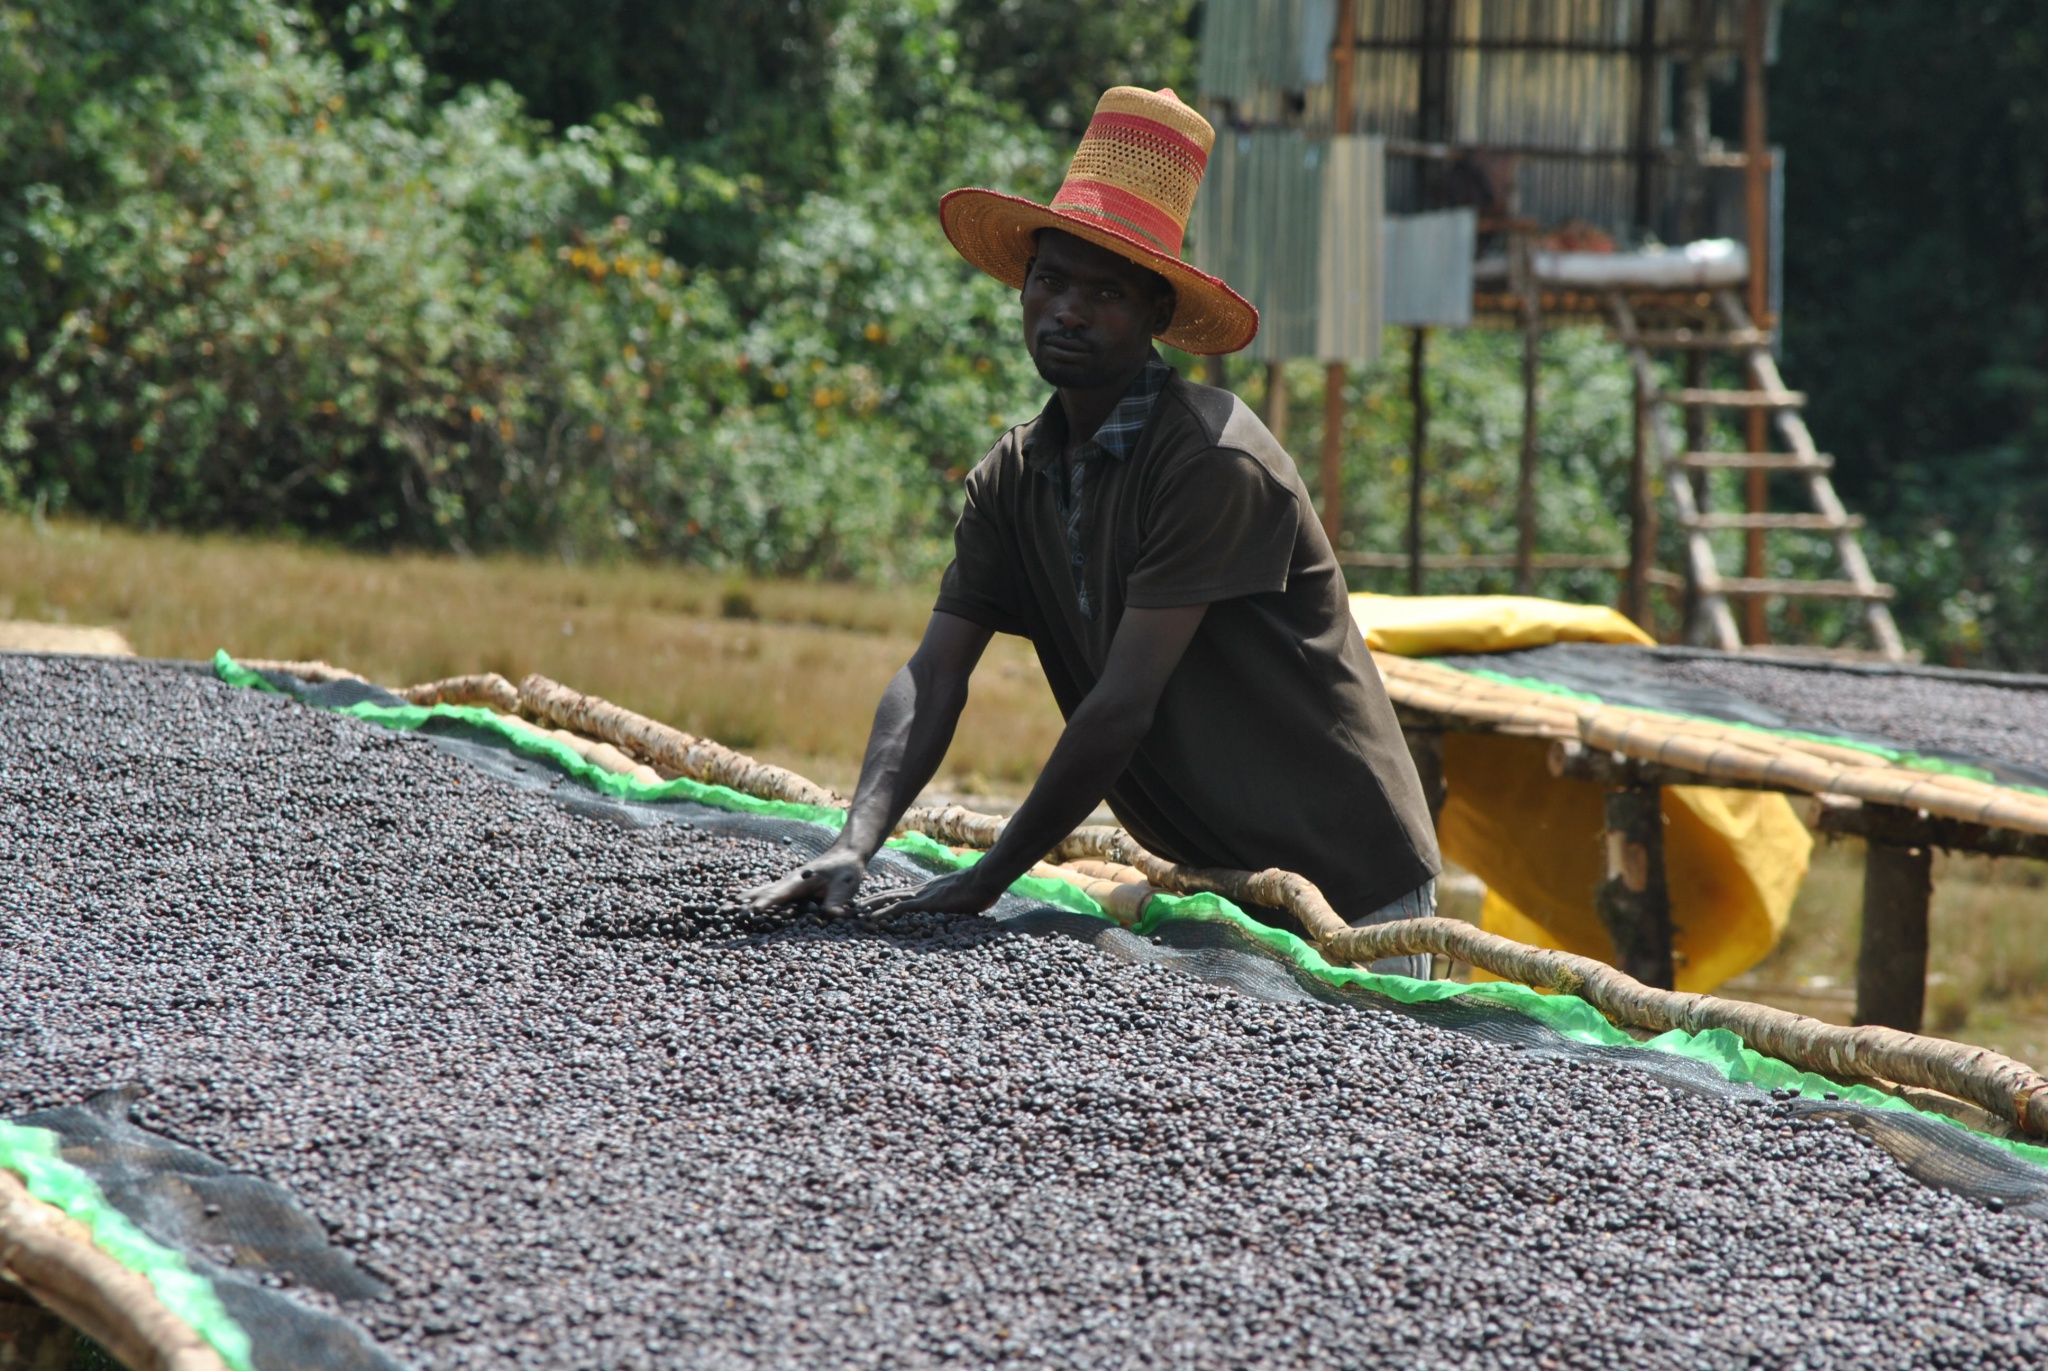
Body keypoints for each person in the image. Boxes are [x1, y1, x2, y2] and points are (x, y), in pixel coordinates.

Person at [745, 87, 1441, 973]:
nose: (1067, 310)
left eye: (1105, 292)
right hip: (1216, 884)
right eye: (1052, 281)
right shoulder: (1015, 476)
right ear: (1023, 289)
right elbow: (933, 673)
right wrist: (857, 839)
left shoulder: (1209, 461)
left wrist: (984, 880)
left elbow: (1119, 707)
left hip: (1346, 892)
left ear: (1156, 316)